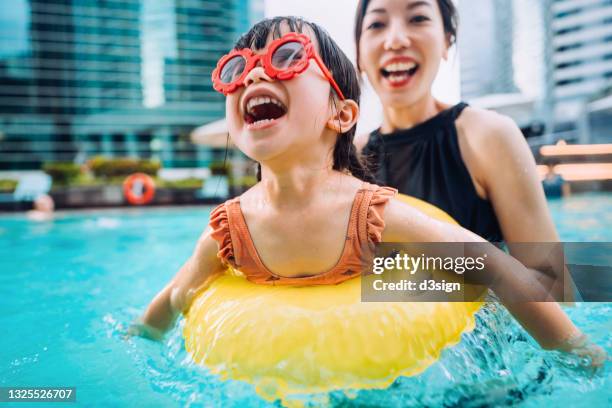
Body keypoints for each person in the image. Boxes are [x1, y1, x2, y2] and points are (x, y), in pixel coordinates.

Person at [130, 17, 604, 365]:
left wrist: (575, 349)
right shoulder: (229, 231)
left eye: (288, 56)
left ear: (341, 114)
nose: (254, 75)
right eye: (237, 68)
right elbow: (175, 298)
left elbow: (493, 267)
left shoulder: (370, 214)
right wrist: (139, 341)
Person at [354, 0, 559, 245]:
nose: (396, 40)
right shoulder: (349, 159)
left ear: (447, 41)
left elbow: (550, 279)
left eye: (418, 18)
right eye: (377, 24)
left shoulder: (489, 137)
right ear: (359, 53)